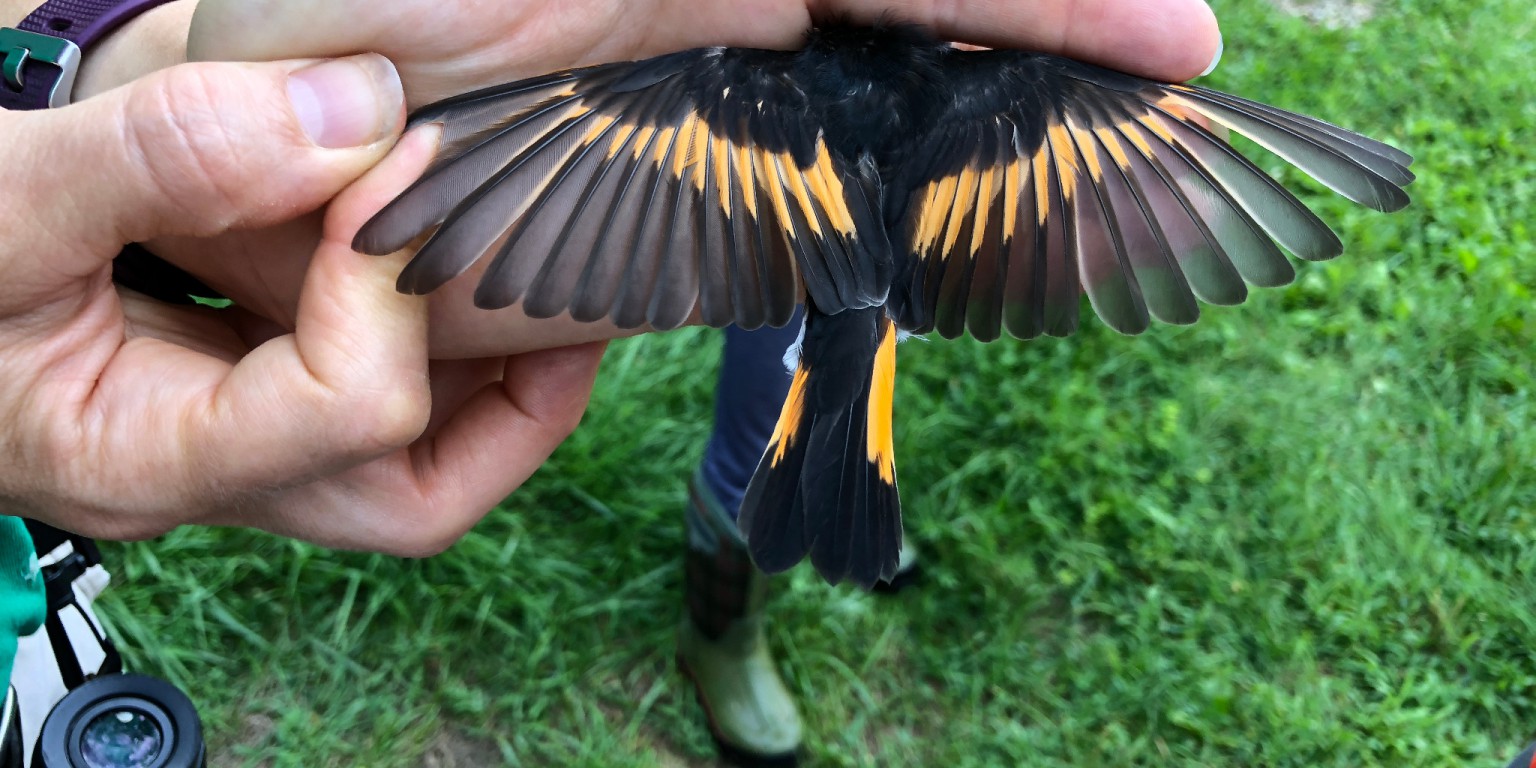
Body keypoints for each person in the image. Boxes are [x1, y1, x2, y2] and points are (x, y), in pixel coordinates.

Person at [0, 0, 1223, 757]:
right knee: (821, 375)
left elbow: (593, 135)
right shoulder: (997, 92)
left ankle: (762, 546)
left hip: (823, 241)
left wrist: (108, 65)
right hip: (874, 251)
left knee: (802, 369)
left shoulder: (738, 85)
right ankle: (732, 606)